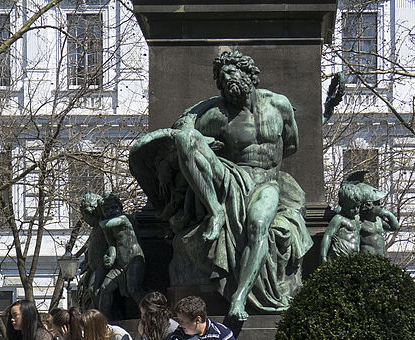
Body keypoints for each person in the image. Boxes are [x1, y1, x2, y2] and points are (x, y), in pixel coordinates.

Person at [129, 50, 312, 320]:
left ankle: (239, 296)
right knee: (187, 139)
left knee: (258, 222)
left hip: (267, 182)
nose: (227, 80)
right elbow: (182, 129)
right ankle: (215, 211)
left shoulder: (280, 105)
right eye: (222, 77)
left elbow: (292, 145)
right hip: (232, 176)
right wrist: (202, 121)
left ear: (249, 74)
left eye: (232, 73)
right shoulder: (216, 114)